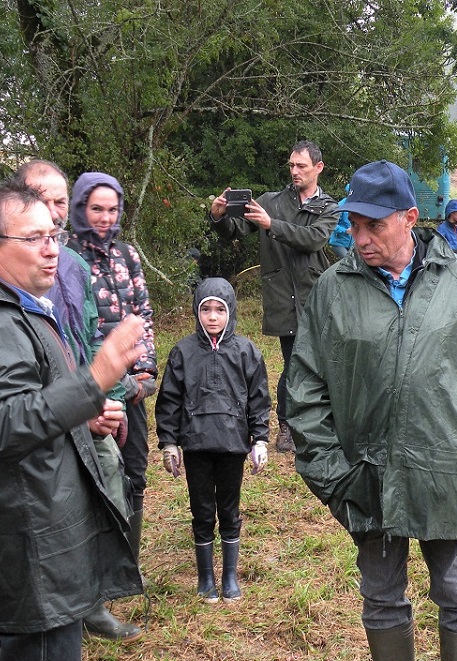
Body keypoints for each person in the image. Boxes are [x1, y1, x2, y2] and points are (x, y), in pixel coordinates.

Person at [286, 160, 457, 661]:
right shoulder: (333, 290)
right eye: (353, 224)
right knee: (381, 597)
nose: (360, 237)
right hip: (367, 478)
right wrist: (335, 477)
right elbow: (303, 395)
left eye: (373, 225)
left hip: (446, 470)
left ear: (409, 218)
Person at [0, 184, 146, 661]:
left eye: (53, 236)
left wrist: (85, 415)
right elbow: (3, 426)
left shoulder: (18, 308)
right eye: (33, 238)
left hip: (18, 542)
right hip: (30, 553)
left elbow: (25, 410)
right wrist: (96, 377)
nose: (52, 248)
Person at [210, 140, 339, 454]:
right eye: (291, 165)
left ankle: (322, 423)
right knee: (293, 364)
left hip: (316, 297)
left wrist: (272, 225)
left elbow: (312, 240)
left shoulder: (328, 208)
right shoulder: (270, 201)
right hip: (282, 297)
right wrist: (219, 217)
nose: (294, 171)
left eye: (301, 166)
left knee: (323, 363)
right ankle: (286, 429)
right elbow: (235, 231)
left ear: (318, 168)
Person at [155, 277, 271, 602]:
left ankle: (230, 576)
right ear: (197, 311)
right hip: (196, 447)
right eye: (206, 309)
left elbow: (259, 399)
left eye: (220, 310)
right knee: (202, 511)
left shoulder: (247, 352)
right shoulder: (183, 352)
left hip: (233, 445)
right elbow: (169, 401)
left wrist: (259, 440)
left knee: (229, 510)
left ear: (230, 311)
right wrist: (169, 443)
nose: (213, 317)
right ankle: (206, 577)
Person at [69, 172, 158, 562]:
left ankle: (127, 563)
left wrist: (146, 373)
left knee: (135, 474)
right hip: (90, 385)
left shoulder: (128, 255)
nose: (105, 217)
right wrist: (119, 382)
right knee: (95, 475)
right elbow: (76, 332)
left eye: (112, 209)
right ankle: (94, 565)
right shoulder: (66, 257)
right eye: (96, 209)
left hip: (134, 387)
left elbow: (144, 316)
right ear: (80, 209)